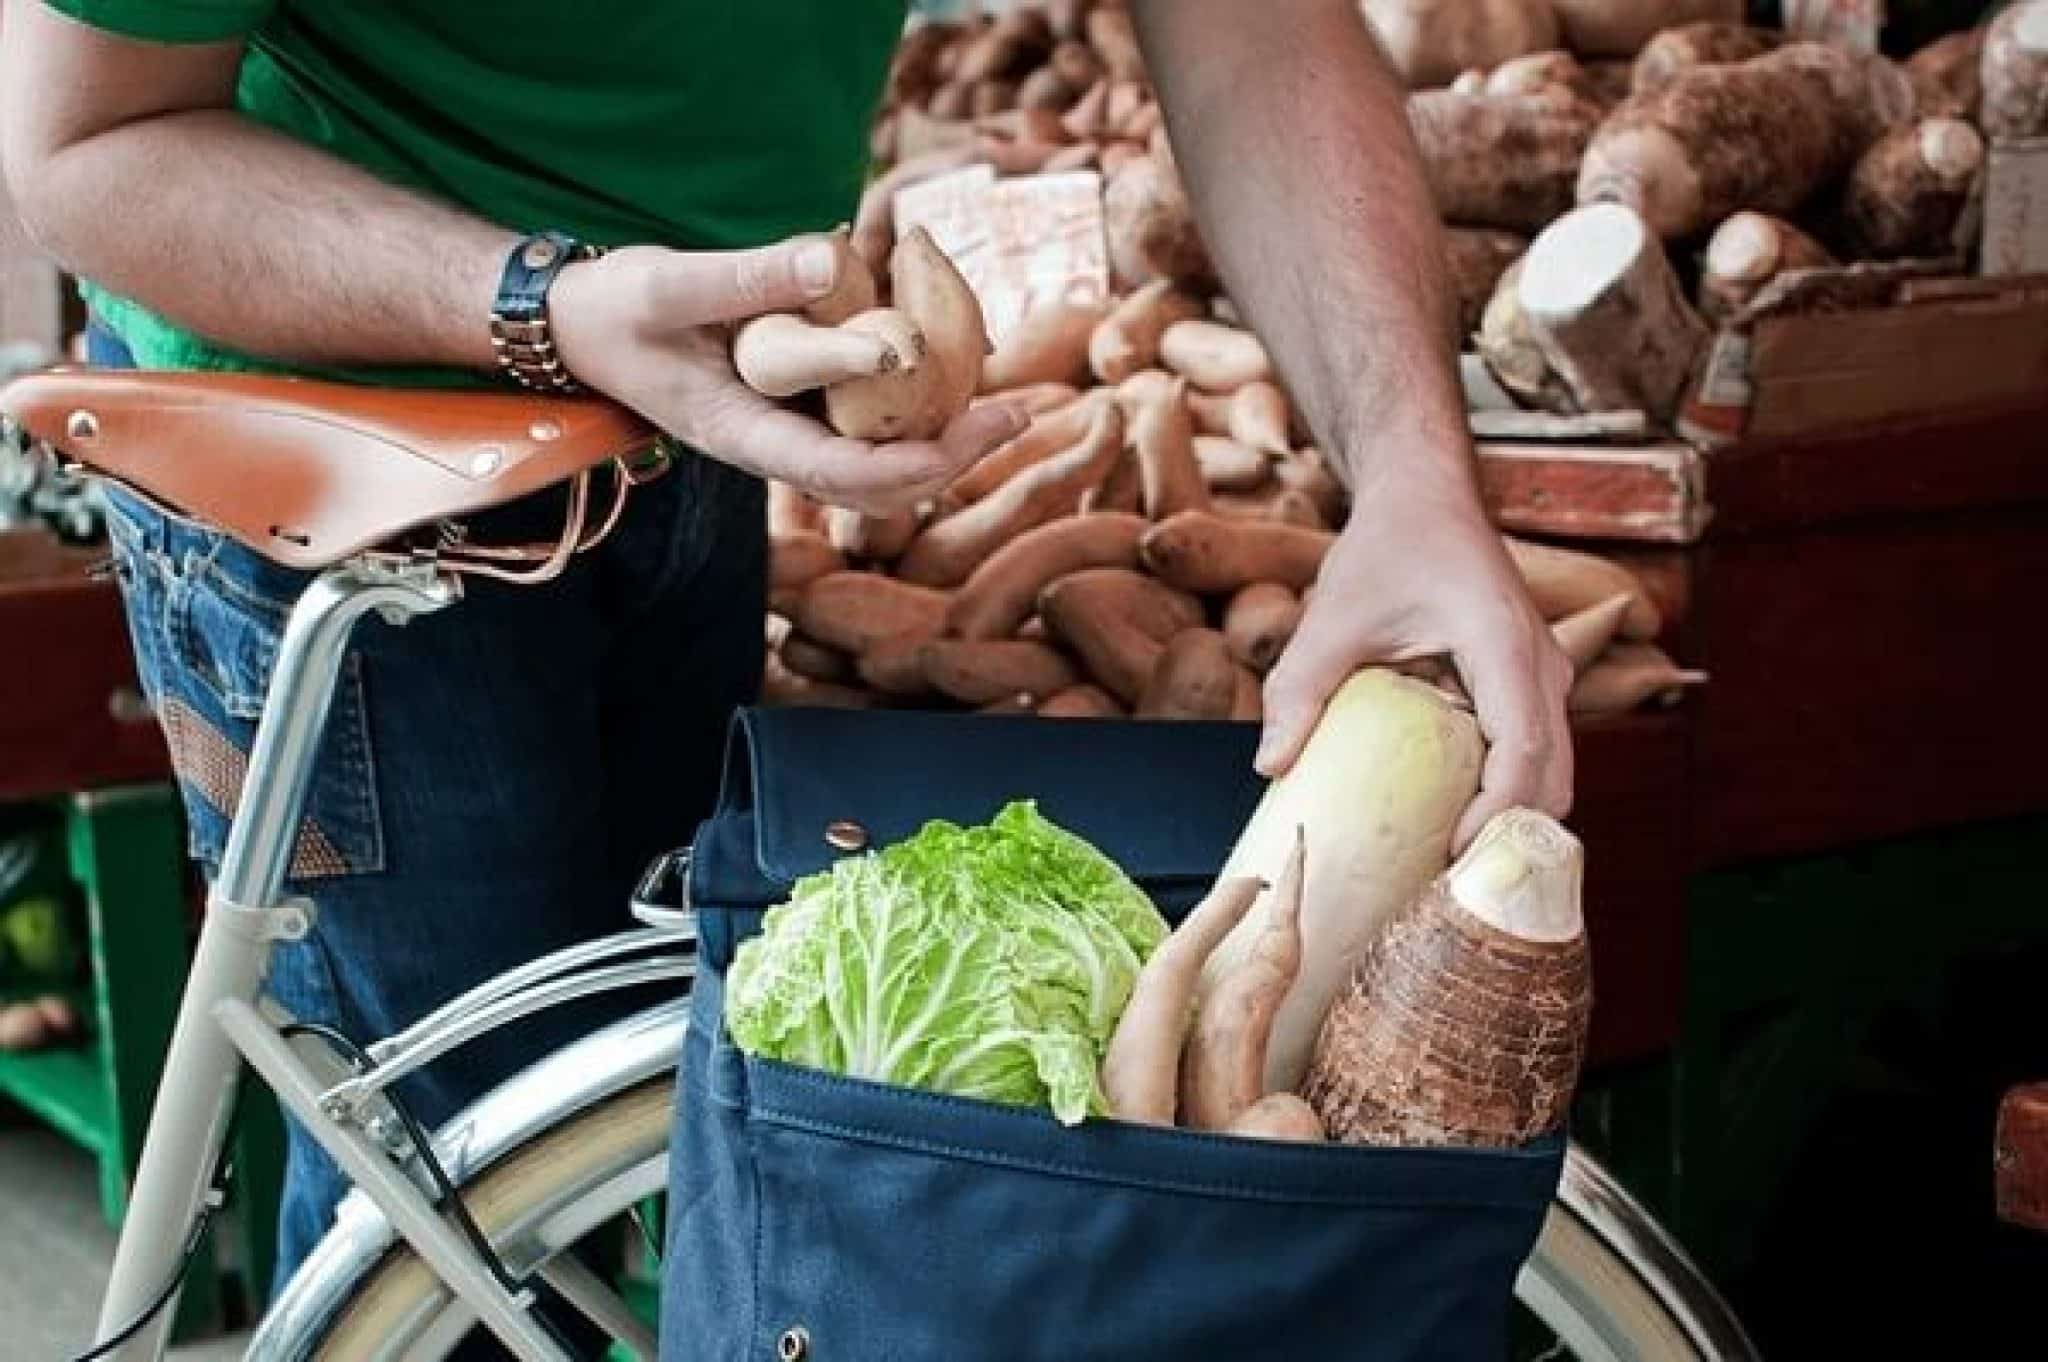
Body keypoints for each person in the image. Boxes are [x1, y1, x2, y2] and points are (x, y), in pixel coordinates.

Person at [0, 0, 1572, 1311]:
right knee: (451, 1225)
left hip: (691, 410)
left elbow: (1251, 31)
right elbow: (84, 141)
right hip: (348, 452)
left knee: (673, 1174)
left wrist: (1420, 471)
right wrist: (544, 305)